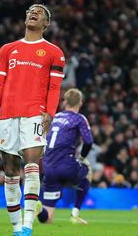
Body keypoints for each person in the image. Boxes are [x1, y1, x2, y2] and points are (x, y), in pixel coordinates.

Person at [0, 4, 65, 236]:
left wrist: (50, 112)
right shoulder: (8, 49)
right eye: (30, 10)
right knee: (10, 171)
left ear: (46, 23)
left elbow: (55, 86)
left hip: (34, 113)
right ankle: (16, 228)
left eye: (39, 12)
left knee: (31, 163)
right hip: (7, 115)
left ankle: (27, 226)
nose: (33, 13)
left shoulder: (53, 52)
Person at [36, 88, 93, 225]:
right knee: (88, 171)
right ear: (80, 103)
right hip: (67, 165)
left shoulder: (54, 117)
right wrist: (81, 158)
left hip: (48, 167)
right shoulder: (79, 118)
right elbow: (89, 141)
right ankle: (75, 214)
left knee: (47, 218)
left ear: (64, 102)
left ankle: (38, 208)